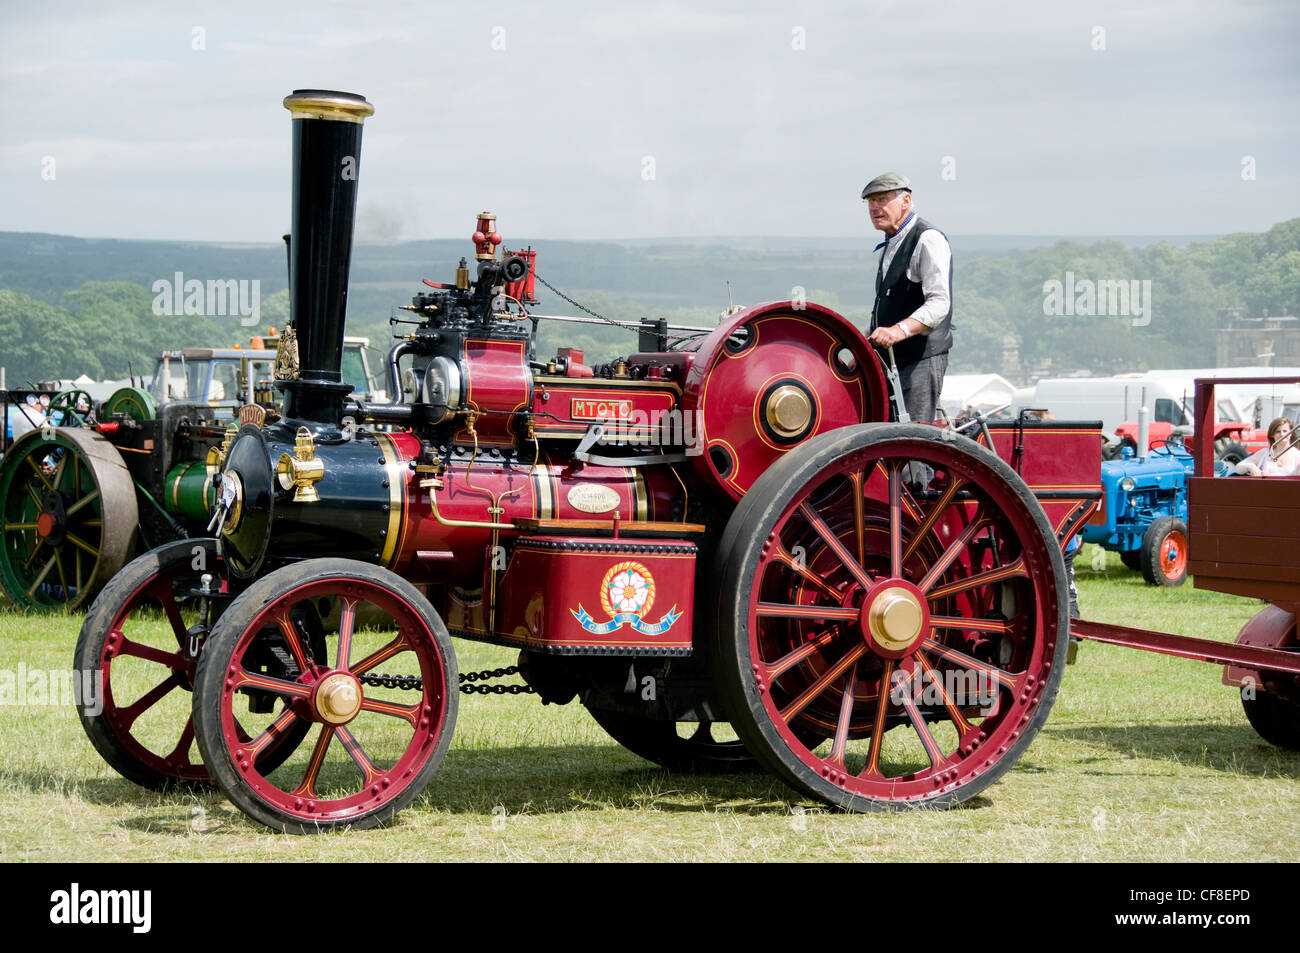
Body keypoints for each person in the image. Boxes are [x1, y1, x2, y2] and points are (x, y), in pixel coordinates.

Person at [863, 172, 954, 425]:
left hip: (921, 360)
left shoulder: (928, 239)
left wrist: (897, 331)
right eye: (870, 201)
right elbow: (887, 308)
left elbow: (939, 305)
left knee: (912, 450)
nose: (874, 207)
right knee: (892, 446)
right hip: (894, 361)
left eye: (882, 199)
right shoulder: (892, 242)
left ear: (906, 200)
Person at [1235, 417, 1300, 476]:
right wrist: (1250, 466)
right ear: (1272, 435)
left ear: (1290, 433)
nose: (1282, 434)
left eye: (1285, 431)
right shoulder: (1265, 453)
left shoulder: (1297, 455)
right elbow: (1238, 468)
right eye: (1278, 432)